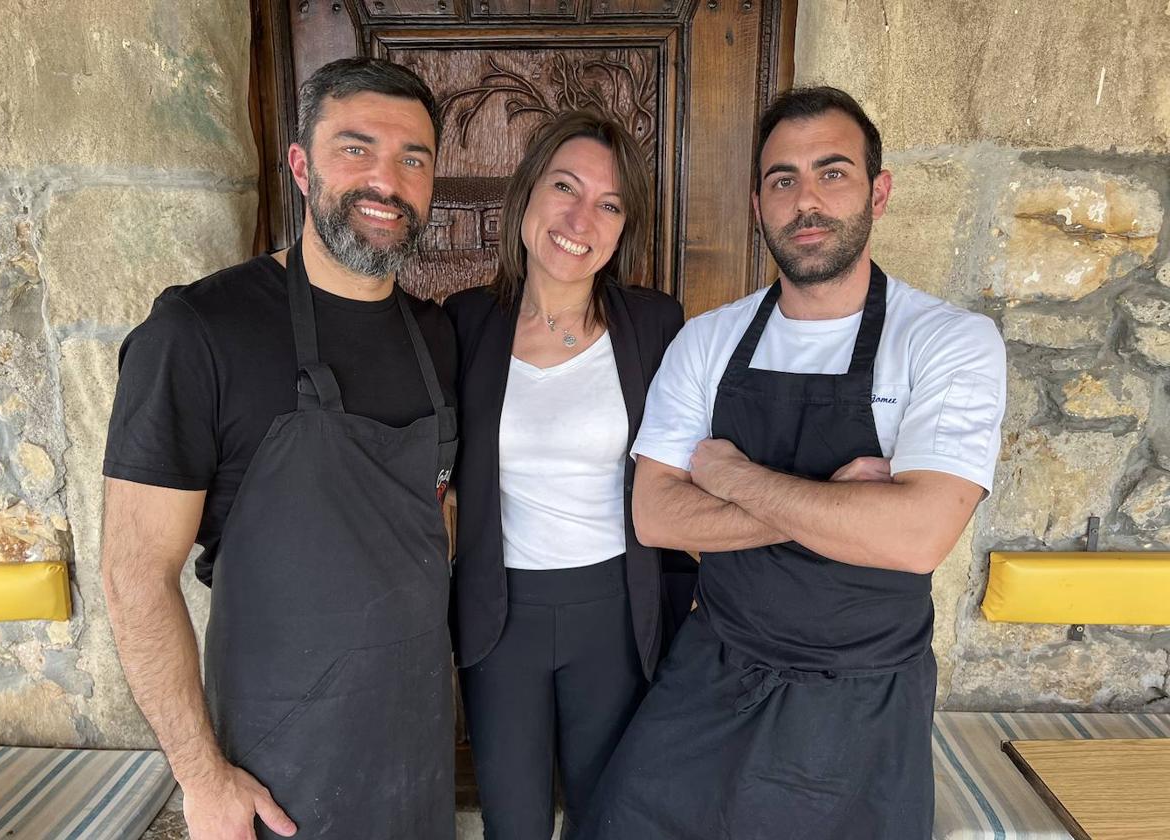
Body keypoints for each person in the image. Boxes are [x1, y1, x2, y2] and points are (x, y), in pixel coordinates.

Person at [581, 86, 1007, 839]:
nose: (806, 200)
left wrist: (729, 474)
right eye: (783, 179)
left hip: (862, 701)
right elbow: (655, 515)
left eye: (832, 173)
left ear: (879, 191)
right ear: (757, 202)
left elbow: (914, 537)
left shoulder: (948, 342)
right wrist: (834, 507)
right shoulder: (708, 342)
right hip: (715, 672)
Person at [100, 58, 458, 840]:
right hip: (277, 776)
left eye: (413, 158)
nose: (386, 182)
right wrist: (201, 779)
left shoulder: (436, 338)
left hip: (417, 752)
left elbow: (436, 514)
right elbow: (133, 574)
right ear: (300, 165)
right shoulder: (196, 334)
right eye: (355, 149)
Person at [443, 110, 684, 839]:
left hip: (614, 611)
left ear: (622, 229)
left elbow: (696, 459)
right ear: (526, 196)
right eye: (565, 187)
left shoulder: (654, 324)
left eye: (609, 205)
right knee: (510, 822)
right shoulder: (463, 324)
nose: (582, 217)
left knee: (606, 816)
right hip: (498, 615)